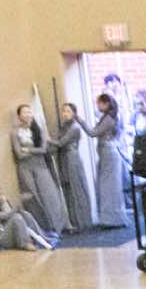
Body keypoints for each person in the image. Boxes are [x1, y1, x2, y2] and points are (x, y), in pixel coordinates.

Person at [10, 104, 68, 236]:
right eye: (24, 112)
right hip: (25, 168)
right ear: (19, 116)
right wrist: (31, 152)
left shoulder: (37, 129)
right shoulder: (15, 132)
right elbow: (19, 154)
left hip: (40, 166)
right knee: (33, 198)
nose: (28, 115)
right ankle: (42, 229)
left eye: (29, 112)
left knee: (49, 194)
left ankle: (57, 226)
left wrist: (28, 149)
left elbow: (43, 150)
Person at [84, 92, 130, 228]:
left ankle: (112, 219)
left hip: (109, 153)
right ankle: (110, 218)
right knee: (108, 186)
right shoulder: (108, 117)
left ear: (106, 104)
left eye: (99, 103)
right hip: (107, 153)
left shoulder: (109, 119)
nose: (97, 106)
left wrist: (80, 120)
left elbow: (93, 133)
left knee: (108, 187)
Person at [49, 102, 96, 230]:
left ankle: (83, 221)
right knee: (68, 189)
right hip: (64, 158)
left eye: (68, 111)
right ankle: (74, 221)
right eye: (64, 111)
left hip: (72, 157)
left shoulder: (75, 127)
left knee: (77, 188)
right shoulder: (64, 126)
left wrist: (47, 140)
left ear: (74, 113)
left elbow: (61, 143)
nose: (65, 114)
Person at [0, 184, 54, 250]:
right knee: (16, 217)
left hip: (8, 234)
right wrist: (16, 202)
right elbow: (6, 216)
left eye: (2, 194)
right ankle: (24, 244)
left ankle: (42, 236)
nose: (2, 196)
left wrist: (7, 203)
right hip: (1, 239)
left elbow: (10, 213)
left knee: (26, 214)